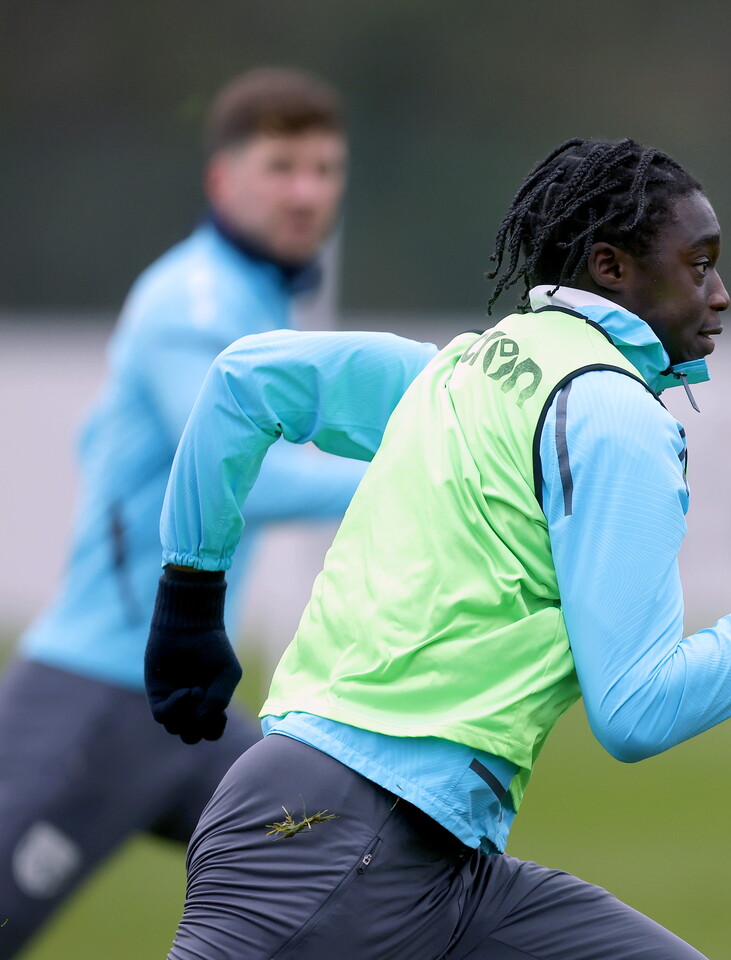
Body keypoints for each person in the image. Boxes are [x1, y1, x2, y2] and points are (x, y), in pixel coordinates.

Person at [145, 137, 731, 959]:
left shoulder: (466, 365)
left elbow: (244, 384)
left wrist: (189, 596)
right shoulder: (615, 415)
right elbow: (639, 710)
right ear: (612, 267)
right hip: (339, 845)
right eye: (699, 264)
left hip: (407, 854)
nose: (721, 294)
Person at [0, 68, 368, 956]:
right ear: (222, 180)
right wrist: (423, 475)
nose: (306, 191)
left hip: (187, 715)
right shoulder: (190, 304)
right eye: (281, 166)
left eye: (324, 169)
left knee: (358, 881)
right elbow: (249, 476)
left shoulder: (255, 300)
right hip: (90, 705)